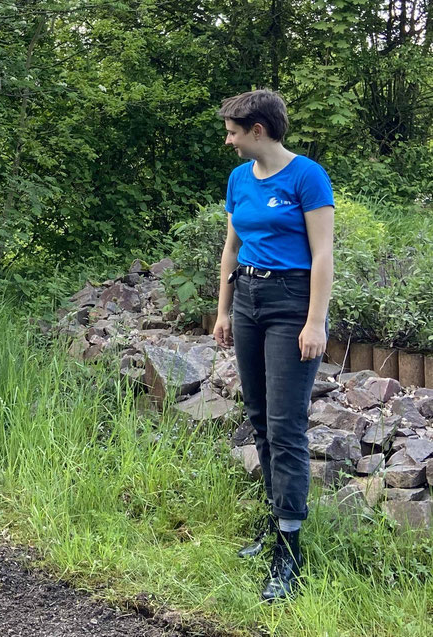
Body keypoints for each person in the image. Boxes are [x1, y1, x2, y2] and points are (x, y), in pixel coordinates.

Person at [212, 90, 334, 602]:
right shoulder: (240, 179)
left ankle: (290, 553)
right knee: (260, 418)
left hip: (291, 301)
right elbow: (232, 246)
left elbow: (324, 250)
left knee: (286, 427)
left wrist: (315, 322)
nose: (228, 138)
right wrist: (222, 309)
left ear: (258, 130)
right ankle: (273, 522)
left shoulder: (307, 176)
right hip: (249, 298)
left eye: (233, 131)